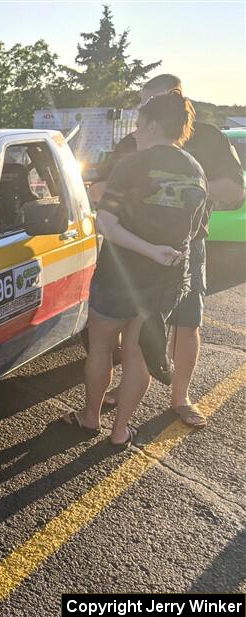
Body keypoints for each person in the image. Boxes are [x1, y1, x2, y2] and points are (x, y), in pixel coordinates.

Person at [91, 74, 245, 427]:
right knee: (129, 331)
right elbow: (99, 187)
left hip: (186, 247)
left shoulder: (208, 137)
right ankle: (116, 396)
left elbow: (234, 191)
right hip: (130, 251)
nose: (146, 114)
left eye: (152, 103)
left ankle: (180, 397)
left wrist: (180, 183)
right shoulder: (133, 141)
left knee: (186, 323)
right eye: (144, 104)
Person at [66, 90, 208, 446]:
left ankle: (90, 417)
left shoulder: (132, 164)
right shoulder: (195, 170)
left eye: (140, 125)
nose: (136, 132)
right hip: (164, 284)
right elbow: (194, 232)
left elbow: (107, 223)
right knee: (138, 355)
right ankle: (120, 430)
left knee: (100, 348)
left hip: (119, 276)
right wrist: (165, 257)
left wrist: (149, 250)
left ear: (155, 125)